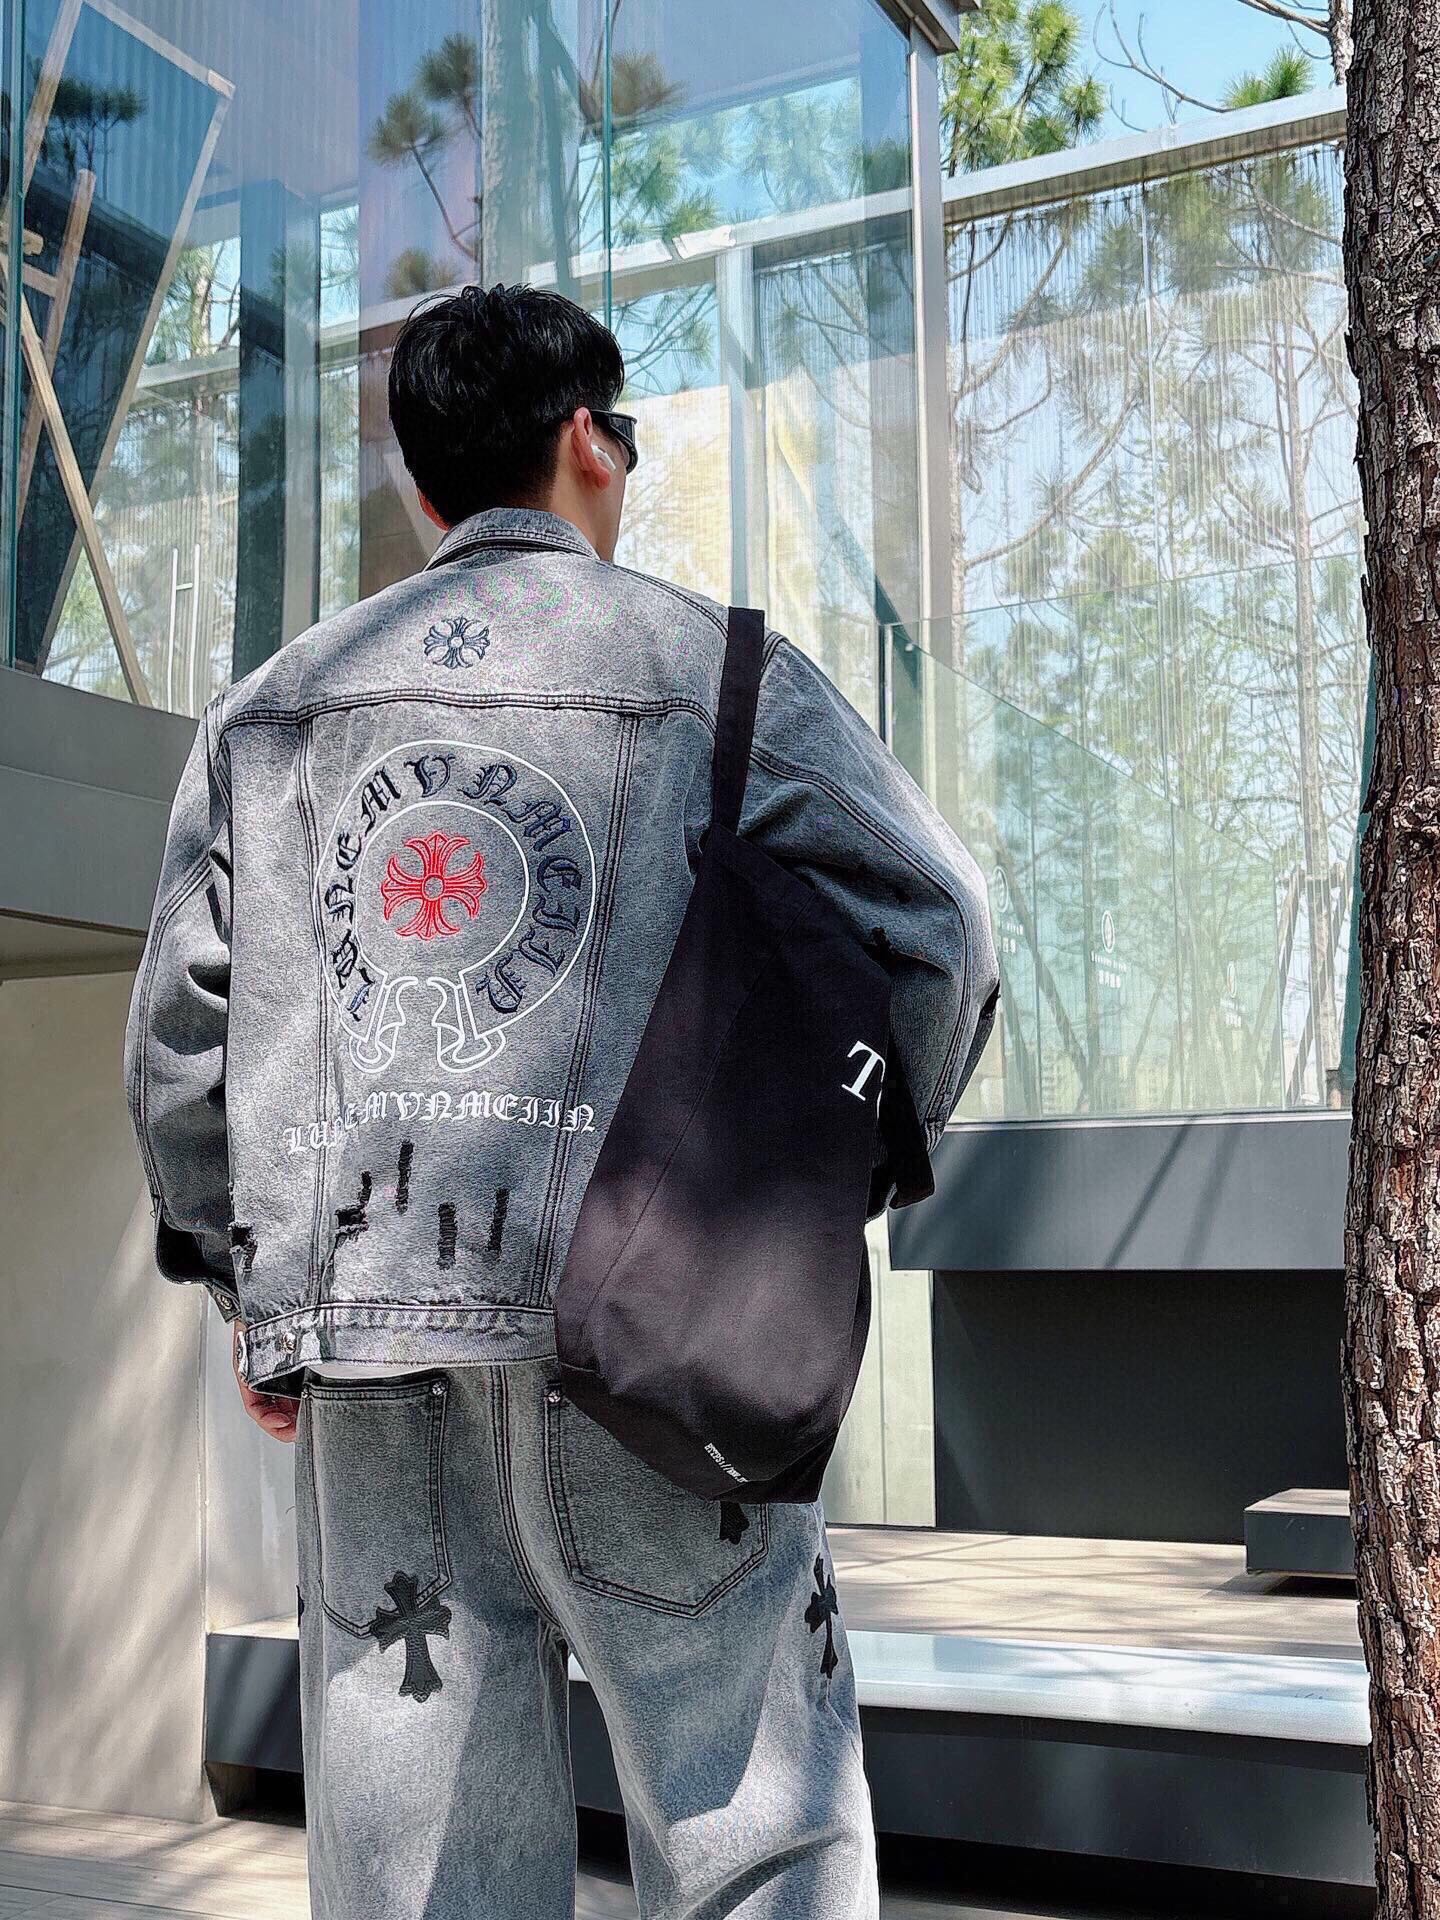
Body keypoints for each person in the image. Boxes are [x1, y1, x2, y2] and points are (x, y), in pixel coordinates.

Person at [124, 282, 999, 1920]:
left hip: (374, 1345)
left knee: (420, 1868)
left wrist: (246, 1284)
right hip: (661, 1335)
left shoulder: (273, 709)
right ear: (590, 439)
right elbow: (941, 922)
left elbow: (182, 1039)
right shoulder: (719, 673)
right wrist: (809, 1188)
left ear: (421, 485)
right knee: (755, 1826)